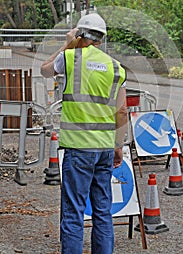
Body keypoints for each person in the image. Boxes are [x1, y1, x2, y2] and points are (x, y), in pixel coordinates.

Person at [40, 13, 127, 254]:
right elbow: (122, 113)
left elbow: (44, 70)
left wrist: (67, 43)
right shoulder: (115, 68)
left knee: (73, 211)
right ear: (101, 39)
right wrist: (118, 146)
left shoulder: (69, 58)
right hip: (104, 149)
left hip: (79, 150)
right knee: (102, 210)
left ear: (80, 33)